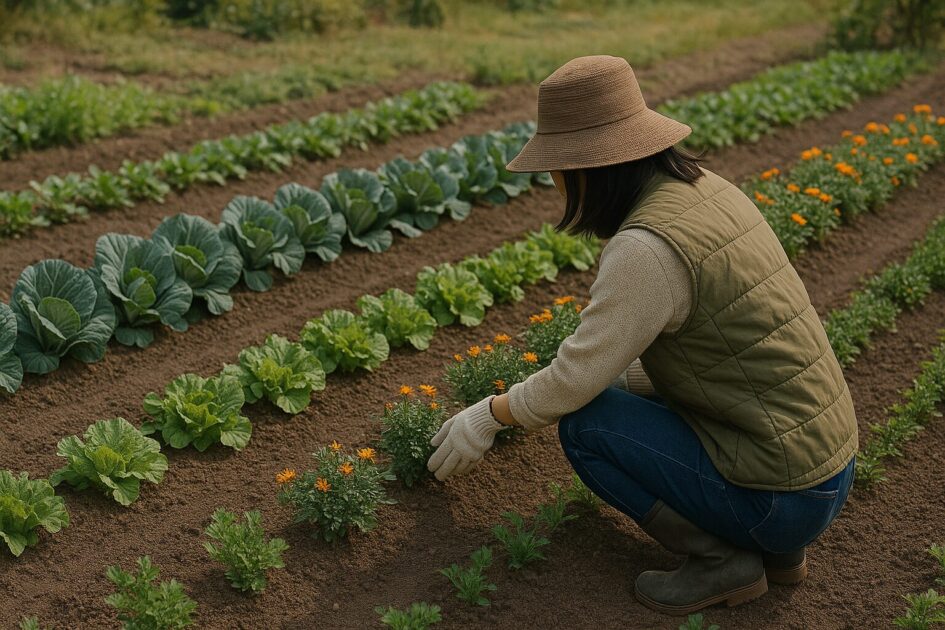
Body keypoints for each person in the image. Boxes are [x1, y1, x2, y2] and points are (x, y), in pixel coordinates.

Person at [426, 55, 857, 616]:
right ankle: (779, 553)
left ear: (588, 168)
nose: (553, 183)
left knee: (586, 425)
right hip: (826, 468)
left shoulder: (644, 250)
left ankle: (721, 562)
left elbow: (573, 381)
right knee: (621, 391)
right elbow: (716, 350)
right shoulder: (707, 191)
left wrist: (490, 414)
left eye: (556, 168)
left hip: (782, 494)